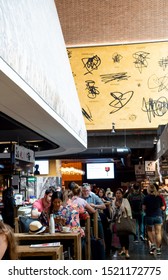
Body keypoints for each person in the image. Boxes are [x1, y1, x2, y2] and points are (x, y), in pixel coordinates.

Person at [142, 183, 165, 255]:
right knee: (158, 233)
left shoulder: (146, 198)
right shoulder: (159, 197)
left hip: (149, 216)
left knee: (149, 230)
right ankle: (158, 250)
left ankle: (152, 244)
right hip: (158, 216)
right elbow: (163, 207)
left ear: (148, 190)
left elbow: (143, 208)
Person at [111, 188, 132, 259]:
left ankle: (127, 251)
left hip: (125, 220)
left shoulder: (125, 201)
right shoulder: (114, 201)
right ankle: (123, 249)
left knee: (125, 236)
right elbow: (113, 211)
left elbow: (128, 210)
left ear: (122, 194)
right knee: (120, 236)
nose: (118, 194)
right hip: (118, 221)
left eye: (119, 193)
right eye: (117, 193)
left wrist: (120, 206)